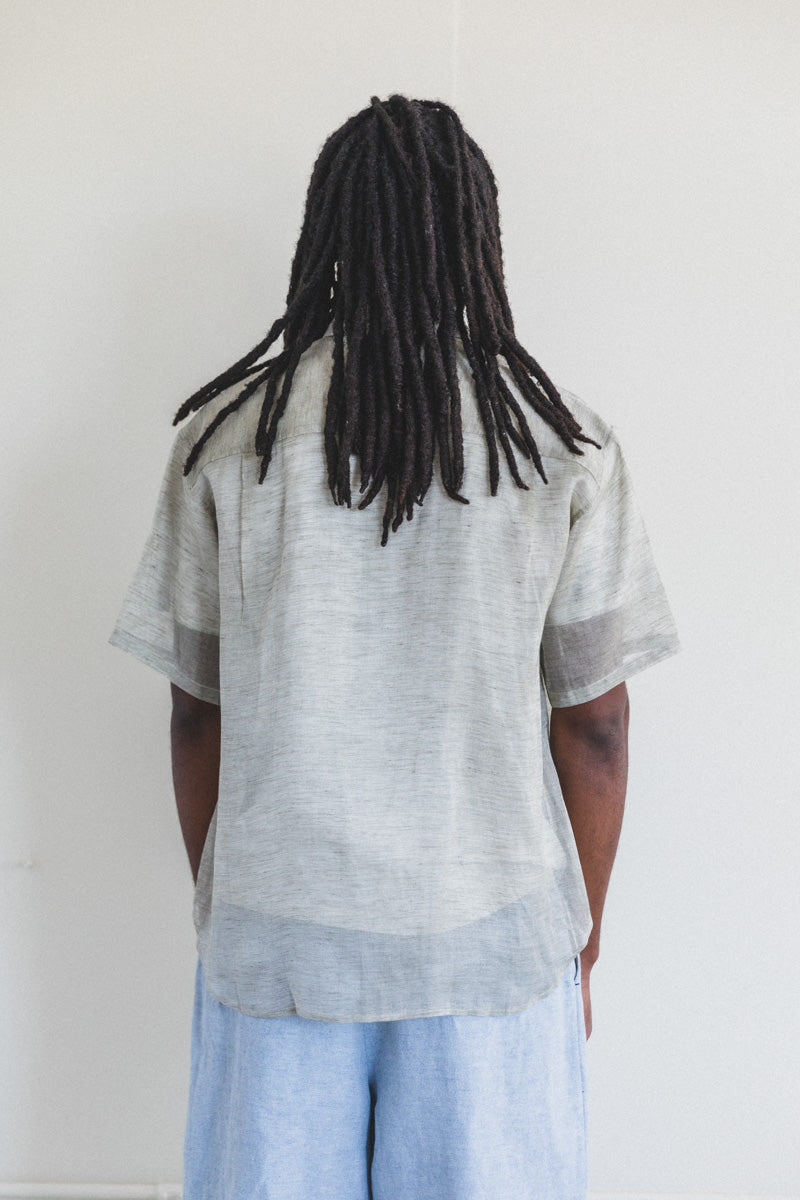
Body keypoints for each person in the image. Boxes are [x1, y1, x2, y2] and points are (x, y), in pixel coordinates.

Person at [109, 95, 680, 1200]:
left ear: (327, 234)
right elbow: (597, 724)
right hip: (493, 948)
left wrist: (230, 904)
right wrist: (583, 941)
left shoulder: (227, 441)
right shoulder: (560, 443)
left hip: (279, 943)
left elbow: (194, 711)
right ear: (474, 234)